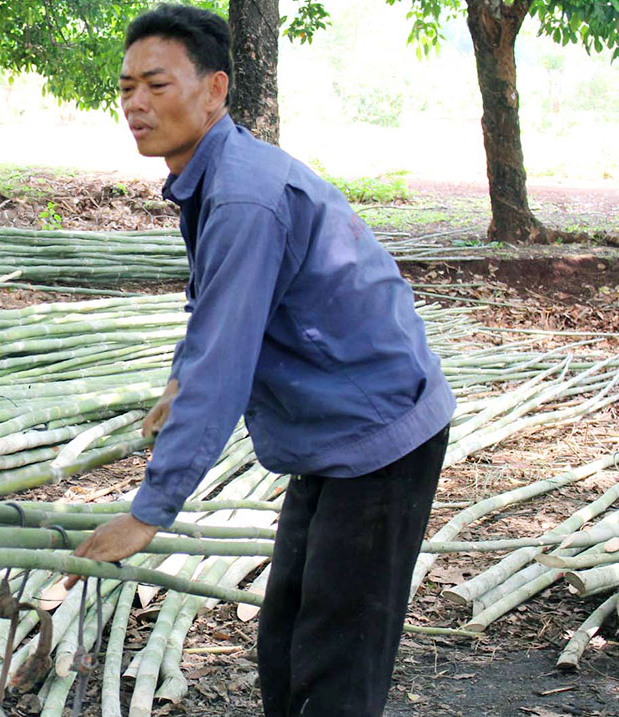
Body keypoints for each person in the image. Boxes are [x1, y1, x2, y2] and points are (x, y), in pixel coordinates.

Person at [65, 5, 455, 715]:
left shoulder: (244, 195)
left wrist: (148, 512)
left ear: (214, 90)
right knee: (283, 642)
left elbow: (225, 362)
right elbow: (212, 313)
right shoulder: (213, 178)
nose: (136, 104)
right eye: (125, 87)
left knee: (334, 660)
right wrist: (175, 383)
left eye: (155, 83)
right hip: (332, 425)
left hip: (378, 432)